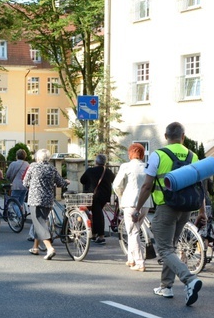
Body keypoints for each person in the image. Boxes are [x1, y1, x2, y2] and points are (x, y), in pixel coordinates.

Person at [133, 122, 205, 305]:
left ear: (165, 136)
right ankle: (166, 286)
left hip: (166, 208)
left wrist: (137, 208)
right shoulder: (193, 155)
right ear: (183, 136)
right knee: (170, 247)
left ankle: (189, 279)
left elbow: (147, 185)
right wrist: (202, 211)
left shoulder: (158, 155)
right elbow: (200, 186)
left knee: (164, 249)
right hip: (185, 209)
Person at [113, 143, 153, 271]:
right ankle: (131, 258)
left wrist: (121, 195)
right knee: (135, 229)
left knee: (133, 231)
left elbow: (116, 185)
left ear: (130, 153)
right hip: (146, 203)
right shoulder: (147, 166)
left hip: (130, 202)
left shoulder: (126, 166)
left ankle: (140, 262)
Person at [24, 149, 68, 260]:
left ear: (38, 158)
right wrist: (66, 182)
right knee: (40, 221)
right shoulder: (52, 168)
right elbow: (60, 183)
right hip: (48, 200)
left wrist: (32, 185)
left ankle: (49, 248)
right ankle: (35, 247)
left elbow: (25, 183)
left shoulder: (33, 167)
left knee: (39, 223)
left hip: (35, 199)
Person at [80, 154, 116, 244]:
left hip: (93, 196)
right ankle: (95, 234)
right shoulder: (108, 171)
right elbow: (114, 180)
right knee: (97, 214)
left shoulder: (90, 171)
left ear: (96, 162)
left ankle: (101, 236)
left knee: (97, 215)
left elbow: (82, 180)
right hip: (105, 196)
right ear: (104, 162)